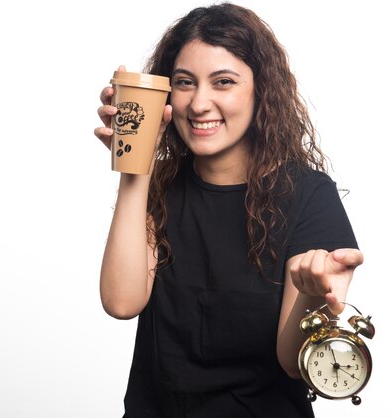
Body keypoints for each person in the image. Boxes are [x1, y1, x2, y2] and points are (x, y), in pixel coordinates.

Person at [94, 3, 363, 417]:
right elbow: (121, 302)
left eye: (223, 82)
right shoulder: (159, 185)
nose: (199, 103)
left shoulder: (308, 194)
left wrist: (311, 296)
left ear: (261, 91)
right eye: (185, 82)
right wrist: (135, 162)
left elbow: (292, 364)